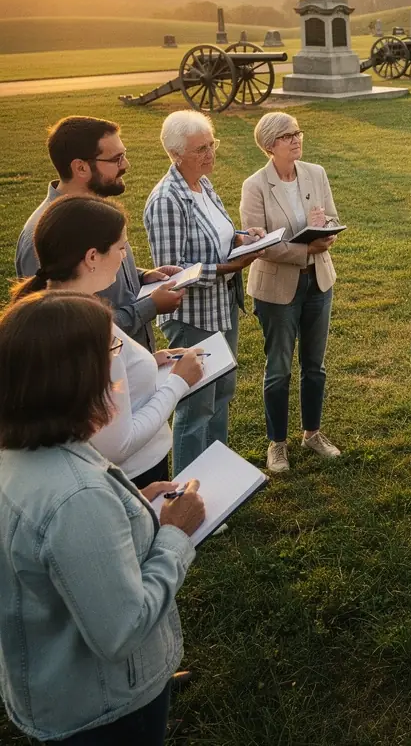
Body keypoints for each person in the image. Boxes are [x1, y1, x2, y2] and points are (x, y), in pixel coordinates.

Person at [0, 290, 206, 745]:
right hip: (107, 709)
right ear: (73, 376)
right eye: (110, 348)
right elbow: (122, 628)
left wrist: (131, 497)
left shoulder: (22, 453)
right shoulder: (75, 496)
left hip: (52, 686)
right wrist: (174, 534)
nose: (119, 362)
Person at [11, 196, 205, 487]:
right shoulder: (89, 327)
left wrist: (149, 361)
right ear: (91, 257)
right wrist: (178, 382)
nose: (125, 256)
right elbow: (119, 444)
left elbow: (93, 384)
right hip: (134, 477)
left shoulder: (46, 312)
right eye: (121, 248)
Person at [144, 111, 264, 474]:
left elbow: (220, 237)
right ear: (176, 153)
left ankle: (217, 480)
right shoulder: (167, 199)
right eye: (200, 148)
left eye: (212, 144)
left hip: (222, 307)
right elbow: (172, 274)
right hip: (193, 318)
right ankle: (188, 493)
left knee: (221, 394)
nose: (210, 153)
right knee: (196, 407)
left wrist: (244, 238)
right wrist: (229, 267)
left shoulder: (203, 184)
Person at [15, 115, 185, 349]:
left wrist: (141, 276)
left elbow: (92, 271)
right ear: (81, 167)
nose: (126, 165)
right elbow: (62, 329)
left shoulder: (97, 213)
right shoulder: (45, 233)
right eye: (116, 159)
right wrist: (149, 307)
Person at [240, 112, 341, 474]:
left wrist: (327, 232)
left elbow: (330, 215)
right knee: (279, 368)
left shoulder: (316, 172)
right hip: (276, 287)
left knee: (315, 365)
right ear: (269, 146)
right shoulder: (254, 185)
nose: (296, 139)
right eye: (286, 136)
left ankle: (312, 433)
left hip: (319, 281)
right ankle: (277, 444)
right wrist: (305, 250)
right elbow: (258, 244)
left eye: (297, 132)